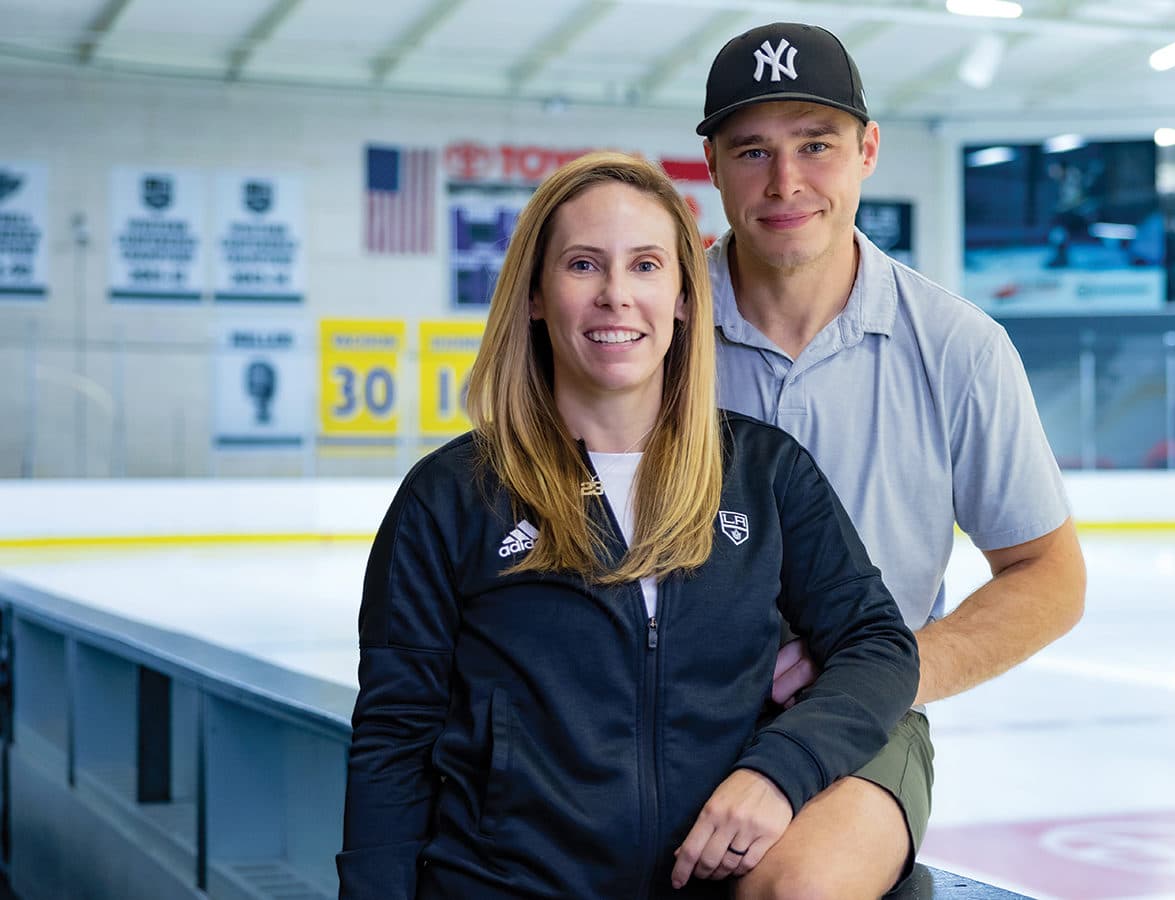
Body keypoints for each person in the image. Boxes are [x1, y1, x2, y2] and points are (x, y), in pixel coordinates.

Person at [336, 152, 917, 898]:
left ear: (682, 296)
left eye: (646, 266)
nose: (617, 296)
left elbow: (878, 646)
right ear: (538, 296)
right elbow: (395, 737)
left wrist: (780, 771)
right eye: (583, 265)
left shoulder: (764, 473)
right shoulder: (451, 496)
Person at [696, 22, 1088, 898]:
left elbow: (1049, 575)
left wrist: (888, 671)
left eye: (817, 145)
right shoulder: (656, 327)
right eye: (753, 150)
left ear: (867, 150)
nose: (786, 181)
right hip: (658, 702)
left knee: (794, 892)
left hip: (860, 720)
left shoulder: (958, 348)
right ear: (712, 168)